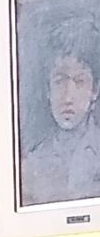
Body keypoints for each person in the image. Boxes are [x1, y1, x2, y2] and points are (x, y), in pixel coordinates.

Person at [20, 16, 100, 206]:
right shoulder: (33, 162)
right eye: (59, 81)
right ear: (48, 90)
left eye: (79, 81)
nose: (68, 97)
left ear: (95, 91)